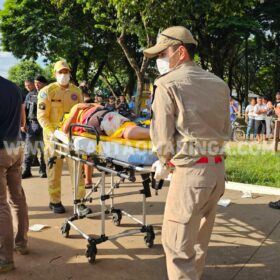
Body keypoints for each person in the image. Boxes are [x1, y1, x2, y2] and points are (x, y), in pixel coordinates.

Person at [143, 26, 231, 280]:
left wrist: (163, 160)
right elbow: (225, 128)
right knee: (199, 241)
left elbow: (162, 135)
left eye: (162, 54)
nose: (159, 60)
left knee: (177, 244)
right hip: (216, 172)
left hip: (190, 175)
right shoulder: (219, 84)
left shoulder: (167, 84)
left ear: (180, 52)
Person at [37, 60, 90, 215]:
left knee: (78, 170)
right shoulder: (47, 91)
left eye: (66, 71)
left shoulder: (76, 91)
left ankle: (79, 202)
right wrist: (53, 133)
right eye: (60, 72)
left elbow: (81, 114)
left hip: (73, 138)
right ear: (55, 74)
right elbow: (42, 117)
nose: (64, 75)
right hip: (53, 139)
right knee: (54, 171)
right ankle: (55, 201)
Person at [0, 76, 29, 273]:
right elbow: (22, 120)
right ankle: (22, 243)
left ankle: (5, 259)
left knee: (1, 204)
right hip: (16, 146)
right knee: (17, 197)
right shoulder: (13, 87)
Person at [62, 103, 150, 140]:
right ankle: (152, 133)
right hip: (98, 119)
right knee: (124, 127)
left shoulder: (85, 105)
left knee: (125, 125)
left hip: (103, 116)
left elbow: (101, 107)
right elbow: (65, 130)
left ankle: (151, 132)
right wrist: (77, 109)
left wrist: (93, 105)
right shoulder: (73, 110)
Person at [22, 78, 47, 179]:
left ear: (44, 83)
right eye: (36, 83)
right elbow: (25, 110)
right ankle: (27, 170)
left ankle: (43, 170)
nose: (37, 85)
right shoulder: (30, 95)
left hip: (44, 125)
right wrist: (24, 124)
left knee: (43, 150)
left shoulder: (49, 94)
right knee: (29, 149)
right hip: (32, 124)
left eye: (39, 83)